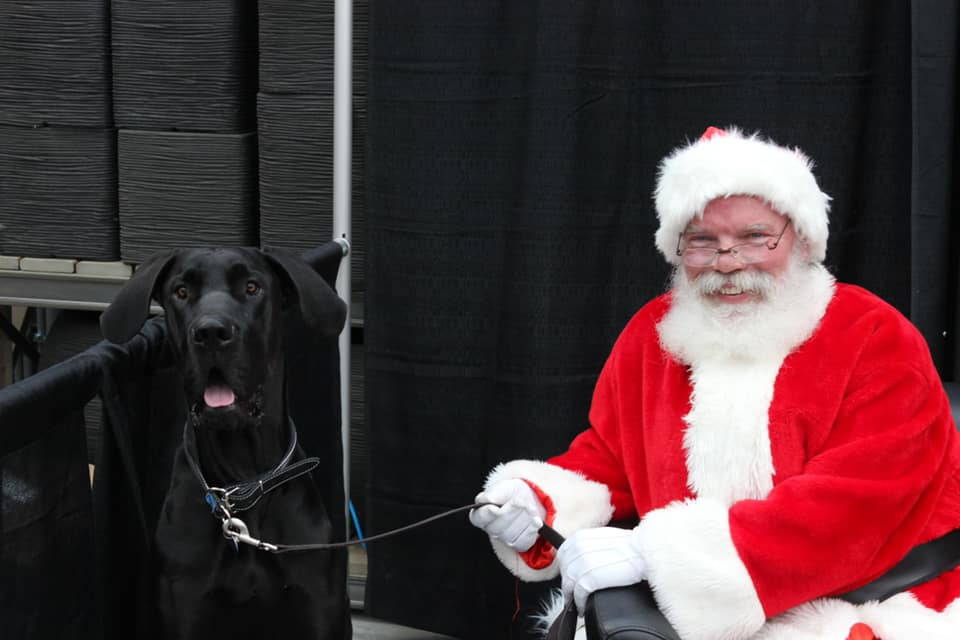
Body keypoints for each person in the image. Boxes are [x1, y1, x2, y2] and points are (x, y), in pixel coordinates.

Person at [469, 126, 960, 640]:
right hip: (688, 613)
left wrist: (655, 554)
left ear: (801, 237)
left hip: (870, 605)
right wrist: (537, 502)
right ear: (677, 249)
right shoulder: (652, 334)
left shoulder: (875, 334)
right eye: (703, 241)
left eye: (754, 237)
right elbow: (607, 458)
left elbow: (859, 504)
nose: (728, 262)